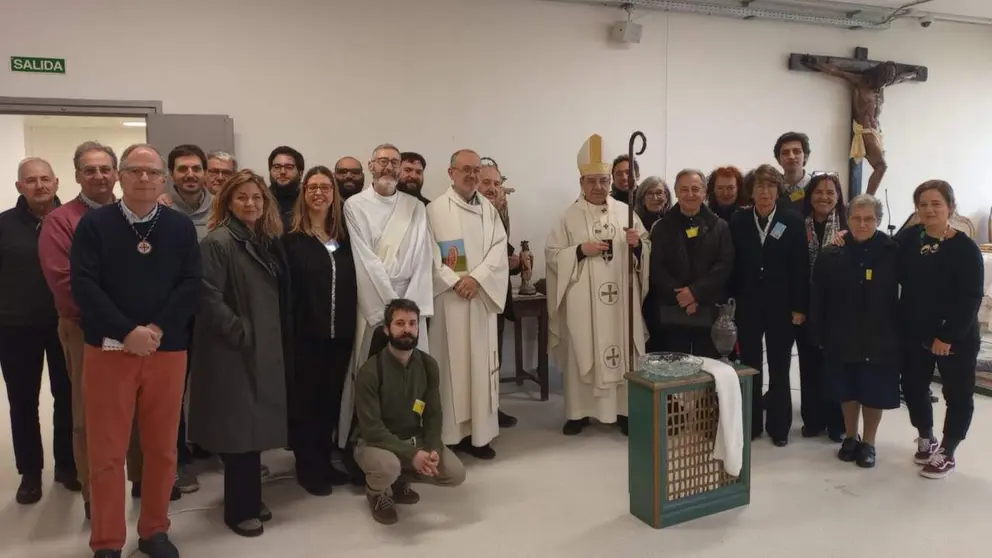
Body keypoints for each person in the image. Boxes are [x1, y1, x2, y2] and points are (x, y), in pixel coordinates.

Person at [70, 143, 201, 558]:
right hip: (109, 352)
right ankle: (107, 540)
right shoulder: (95, 226)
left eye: (151, 172)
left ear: (163, 179)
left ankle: (154, 532)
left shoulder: (180, 228)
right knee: (106, 452)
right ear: (120, 177)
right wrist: (127, 331)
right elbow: (84, 286)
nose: (143, 178)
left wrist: (156, 328)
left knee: (163, 449)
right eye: (134, 171)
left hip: (167, 350)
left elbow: (191, 284)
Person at [39, 141, 155, 520]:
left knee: (140, 405)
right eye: (90, 170)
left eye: (106, 168)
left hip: (138, 329)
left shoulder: (136, 215)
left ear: (117, 173)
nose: (99, 176)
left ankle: (140, 478)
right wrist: (119, 322)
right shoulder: (62, 221)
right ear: (76, 176)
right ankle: (95, 494)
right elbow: (66, 282)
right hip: (85, 328)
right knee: (91, 414)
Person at [187, 169, 291, 536]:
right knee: (239, 433)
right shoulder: (217, 242)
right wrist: (242, 332)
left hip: (258, 348)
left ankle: (248, 498)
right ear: (228, 201)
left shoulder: (260, 239)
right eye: (242, 197)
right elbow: (206, 297)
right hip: (233, 351)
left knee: (253, 431)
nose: (250, 203)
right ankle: (238, 510)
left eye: (257, 198)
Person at [546, 134, 648, 436]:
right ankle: (578, 413)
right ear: (581, 182)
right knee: (582, 345)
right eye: (592, 181)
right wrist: (579, 251)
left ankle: (624, 411)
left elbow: (645, 247)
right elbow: (552, 255)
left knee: (623, 349)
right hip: (583, 301)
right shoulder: (568, 216)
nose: (599, 187)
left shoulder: (625, 212)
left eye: (603, 181)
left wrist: (638, 246)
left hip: (620, 301)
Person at [338, 143, 434, 462]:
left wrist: (411, 311)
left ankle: (412, 443)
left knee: (412, 376)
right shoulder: (354, 205)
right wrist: (390, 310)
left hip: (408, 302)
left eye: (394, 162)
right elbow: (364, 259)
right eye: (382, 161)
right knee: (368, 374)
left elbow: (422, 258)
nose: (388, 168)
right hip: (374, 305)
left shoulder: (415, 207)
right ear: (371, 165)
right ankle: (363, 445)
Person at [0, 157, 78, 505]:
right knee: (22, 402)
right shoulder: (3, 226)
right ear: (19, 187)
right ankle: (30, 473)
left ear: (57, 182)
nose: (39, 185)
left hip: (66, 323)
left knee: (68, 397)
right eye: (31, 180)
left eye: (45, 179)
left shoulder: (74, 221)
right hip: (15, 327)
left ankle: (67, 466)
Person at [896, 180, 983, 479]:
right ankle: (926, 436)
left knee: (957, 393)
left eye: (936, 204)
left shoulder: (965, 248)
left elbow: (971, 298)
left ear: (950, 207)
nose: (929, 210)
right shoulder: (909, 239)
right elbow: (881, 253)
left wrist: (947, 336)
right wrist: (846, 236)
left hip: (954, 336)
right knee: (914, 387)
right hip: (915, 332)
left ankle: (948, 449)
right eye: (923, 204)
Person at [352, 298, 466, 525]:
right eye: (400, 323)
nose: (407, 329)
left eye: (412, 323)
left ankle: (397, 481)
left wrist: (432, 448)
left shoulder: (428, 365)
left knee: (455, 473)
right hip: (375, 444)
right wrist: (411, 455)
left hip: (416, 440)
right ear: (387, 329)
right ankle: (377, 493)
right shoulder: (370, 371)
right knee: (389, 466)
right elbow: (372, 429)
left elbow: (433, 414)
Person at [427, 149, 509, 459]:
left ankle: (480, 436)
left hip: (480, 301)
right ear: (451, 173)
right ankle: (451, 434)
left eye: (476, 170)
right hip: (449, 303)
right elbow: (429, 255)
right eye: (465, 169)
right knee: (450, 370)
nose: (472, 175)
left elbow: (499, 251)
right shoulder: (434, 210)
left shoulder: (489, 210)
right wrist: (454, 281)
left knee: (480, 368)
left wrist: (476, 279)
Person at [810, 195, 900, 468]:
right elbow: (818, 296)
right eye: (857, 218)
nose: (863, 223)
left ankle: (869, 442)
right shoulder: (831, 253)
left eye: (869, 219)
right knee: (847, 388)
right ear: (847, 220)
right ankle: (851, 436)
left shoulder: (892, 251)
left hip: (880, 334)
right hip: (842, 331)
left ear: (878, 221)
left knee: (873, 390)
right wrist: (818, 333)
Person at [282, 166, 357, 495]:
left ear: (334, 194)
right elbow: (286, 293)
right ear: (303, 193)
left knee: (330, 402)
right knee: (306, 404)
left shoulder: (345, 240)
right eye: (312, 187)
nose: (318, 193)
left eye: (325, 187)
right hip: (306, 337)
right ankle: (308, 467)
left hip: (339, 336)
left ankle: (325, 461)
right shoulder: (291, 241)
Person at [730, 164, 808, 446]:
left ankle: (779, 428)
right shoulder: (738, 221)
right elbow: (733, 265)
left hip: (781, 307)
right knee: (750, 366)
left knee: (779, 367)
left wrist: (799, 307)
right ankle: (750, 426)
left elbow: (800, 267)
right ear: (751, 191)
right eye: (760, 187)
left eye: (771, 186)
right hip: (748, 306)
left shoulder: (793, 221)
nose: (765, 192)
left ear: (779, 190)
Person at [803, 56, 923, 196]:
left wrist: (914, 73)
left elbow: (901, 78)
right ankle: (868, 198)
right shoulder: (860, 82)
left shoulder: (882, 86)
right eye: (885, 78)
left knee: (880, 166)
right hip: (864, 131)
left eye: (889, 79)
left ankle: (867, 199)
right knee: (881, 166)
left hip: (876, 132)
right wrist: (817, 63)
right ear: (878, 74)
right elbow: (837, 72)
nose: (886, 82)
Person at [646, 169, 733, 358]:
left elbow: (724, 266)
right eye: (684, 189)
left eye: (695, 189)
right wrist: (681, 297)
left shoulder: (721, 227)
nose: (690, 194)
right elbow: (656, 267)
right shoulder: (662, 228)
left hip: (709, 310)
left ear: (704, 193)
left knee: (708, 370)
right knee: (676, 370)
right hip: (672, 311)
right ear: (676, 193)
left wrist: (695, 293)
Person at [796, 173, 847, 442]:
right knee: (809, 367)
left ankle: (838, 423)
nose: (824, 197)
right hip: (806, 307)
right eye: (818, 191)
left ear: (838, 197)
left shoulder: (849, 228)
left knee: (835, 368)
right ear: (810, 195)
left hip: (838, 311)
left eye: (830, 192)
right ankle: (812, 420)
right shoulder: (798, 225)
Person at [479, 159, 519, 429]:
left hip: (498, 297)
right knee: (477, 359)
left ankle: (493, 407)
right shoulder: (465, 212)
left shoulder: (500, 211)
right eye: (486, 183)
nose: (492, 188)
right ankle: (478, 413)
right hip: (475, 296)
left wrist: (514, 262)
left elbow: (501, 250)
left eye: (497, 183)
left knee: (495, 358)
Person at [773, 132, 812, 213]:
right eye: (785, 153)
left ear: (805, 157)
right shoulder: (773, 188)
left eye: (796, 151)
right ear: (778, 159)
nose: (791, 156)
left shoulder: (817, 186)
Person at [268, 145, 305, 229]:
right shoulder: (261, 201)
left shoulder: (309, 201)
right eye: (277, 167)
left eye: (289, 167)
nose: (282, 172)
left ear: (300, 173)